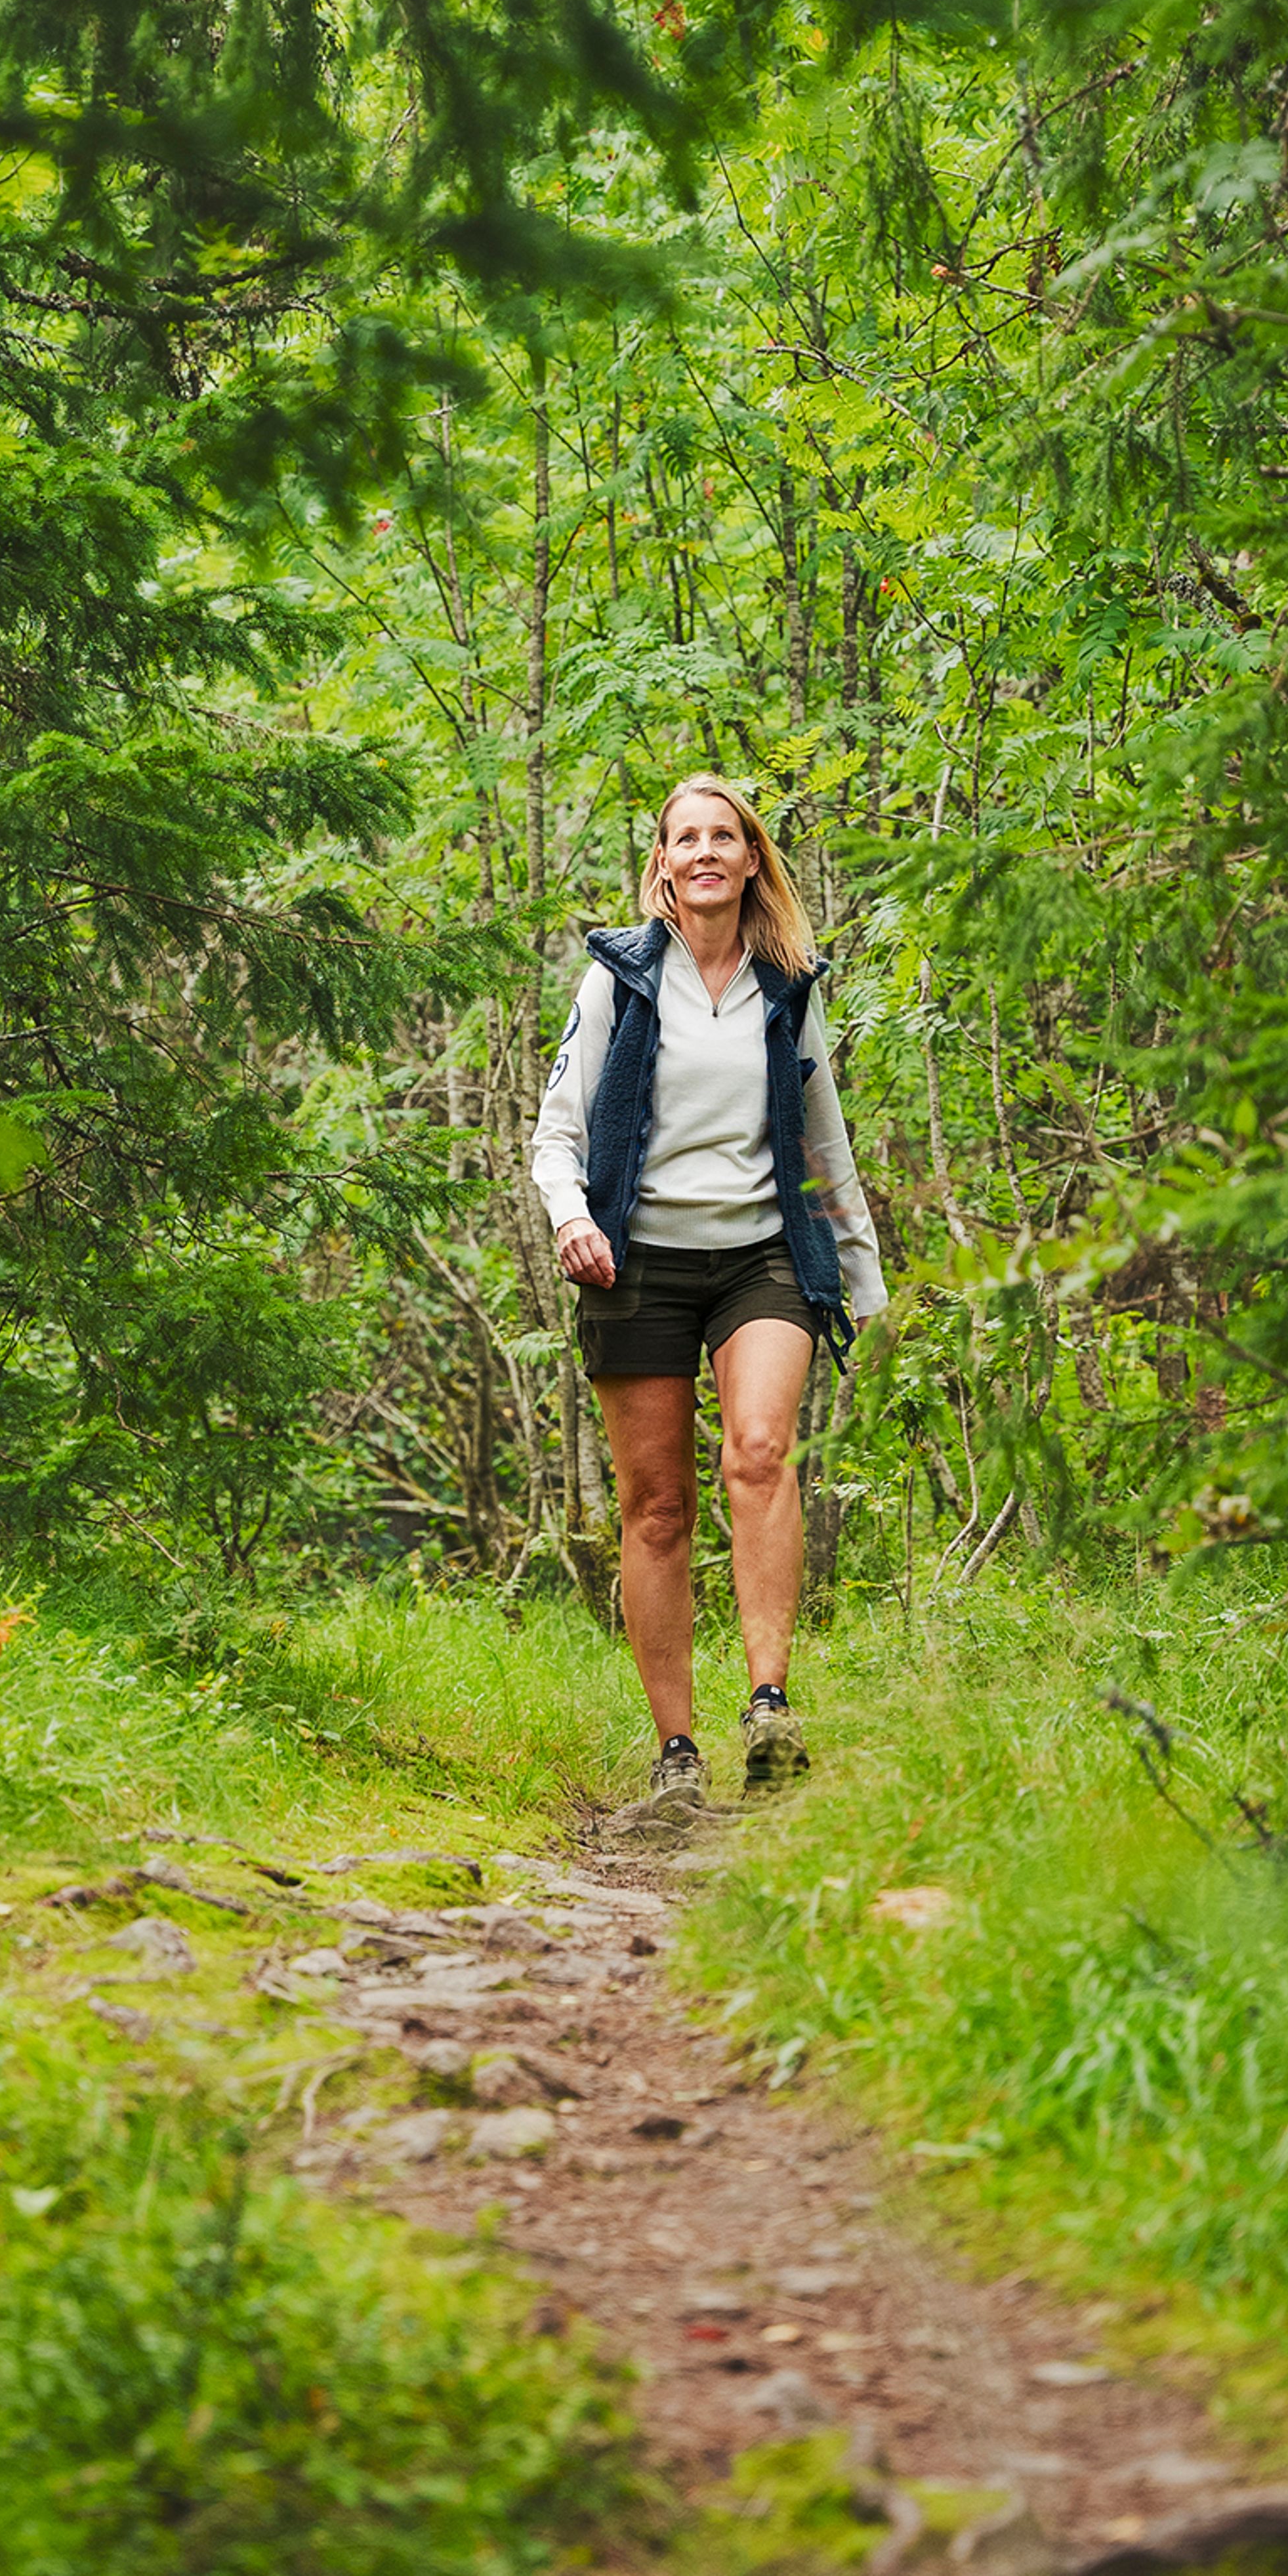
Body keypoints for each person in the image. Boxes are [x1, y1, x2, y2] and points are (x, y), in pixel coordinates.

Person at [530, 770, 886, 1813]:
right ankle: (676, 1753)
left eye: (722, 835)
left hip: (760, 1256)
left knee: (760, 1450)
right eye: (684, 838)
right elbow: (558, 1134)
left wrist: (862, 1280)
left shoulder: (789, 990)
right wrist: (571, 1219)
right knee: (657, 1509)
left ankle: (770, 1704)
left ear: (750, 858)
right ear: (664, 865)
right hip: (634, 1257)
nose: (703, 853)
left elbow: (824, 1148)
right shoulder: (619, 981)